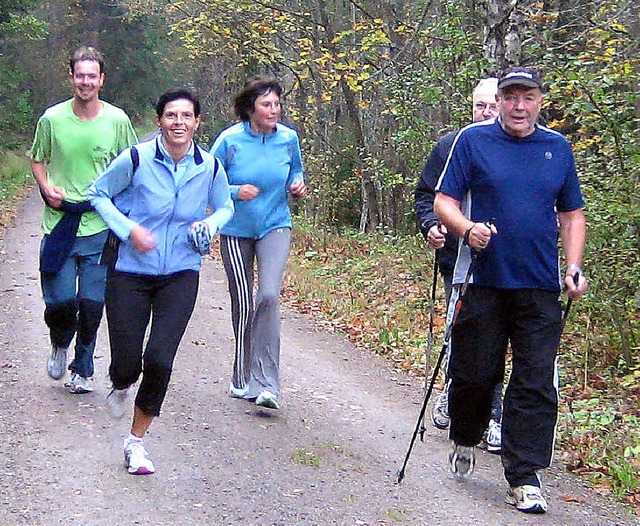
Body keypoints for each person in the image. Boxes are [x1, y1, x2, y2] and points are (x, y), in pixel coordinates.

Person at [434, 66, 588, 514]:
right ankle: (465, 435)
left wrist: (574, 267)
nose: (519, 106)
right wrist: (466, 229)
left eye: (528, 97)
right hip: (483, 279)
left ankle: (524, 475)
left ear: (540, 101)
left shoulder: (557, 148)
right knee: (475, 374)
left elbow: (571, 214)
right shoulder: (472, 140)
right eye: (511, 97)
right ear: (499, 101)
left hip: (540, 285)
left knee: (535, 380)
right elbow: (444, 200)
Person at [88, 87, 233, 475]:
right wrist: (128, 228)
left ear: (198, 122)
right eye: (171, 115)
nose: (179, 122)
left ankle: (136, 442)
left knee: (160, 360)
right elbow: (98, 193)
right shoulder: (136, 158)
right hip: (130, 271)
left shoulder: (210, 166)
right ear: (159, 121)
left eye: (187, 116)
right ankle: (120, 383)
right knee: (126, 364)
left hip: (182, 272)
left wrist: (210, 224)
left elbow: (226, 205)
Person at [28, 46, 137, 394]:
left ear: (102, 80)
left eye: (92, 76)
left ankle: (83, 368)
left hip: (100, 225)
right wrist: (46, 187)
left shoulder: (118, 121)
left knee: (91, 304)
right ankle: (60, 341)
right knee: (60, 302)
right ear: (72, 78)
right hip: (60, 221)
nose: (86, 82)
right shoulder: (52, 119)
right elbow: (37, 159)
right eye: (80, 75)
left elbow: (132, 166)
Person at [415, 78, 503, 452]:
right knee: (464, 335)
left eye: (491, 106)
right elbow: (425, 196)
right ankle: (456, 390)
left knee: (495, 339)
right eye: (479, 106)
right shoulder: (451, 145)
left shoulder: (522, 148)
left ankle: (494, 414)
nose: (485, 113)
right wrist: (431, 227)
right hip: (458, 261)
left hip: (505, 264)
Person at [211, 75, 308, 411]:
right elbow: (208, 180)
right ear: (250, 108)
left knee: (267, 295)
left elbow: (297, 171)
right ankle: (242, 375)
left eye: (277, 104)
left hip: (275, 224)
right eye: (267, 104)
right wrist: (236, 192)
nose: (274, 110)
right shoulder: (230, 141)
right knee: (243, 300)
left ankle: (268, 384)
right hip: (236, 229)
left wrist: (298, 184)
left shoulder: (288, 139)